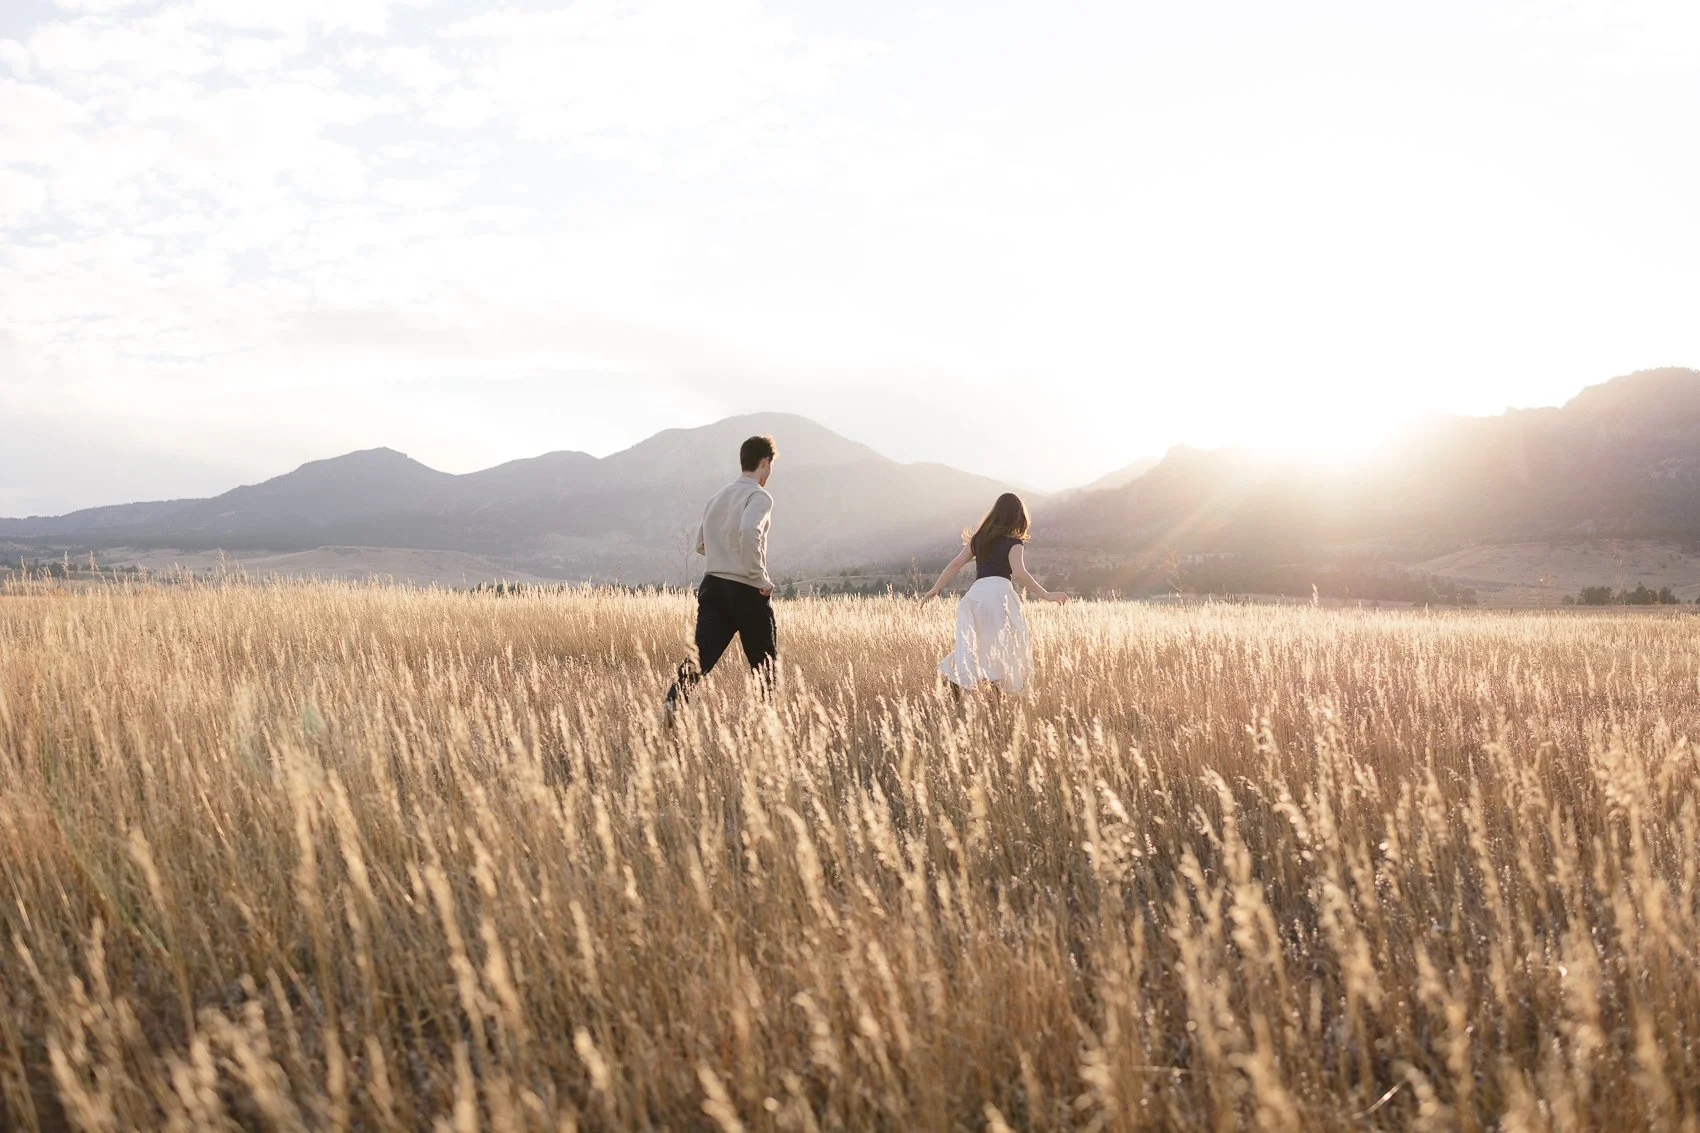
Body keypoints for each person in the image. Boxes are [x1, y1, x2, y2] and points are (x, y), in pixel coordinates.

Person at [663, 435, 779, 722]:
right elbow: (750, 531)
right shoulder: (759, 497)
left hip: (713, 586)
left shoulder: (717, 497)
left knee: (698, 662)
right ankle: (767, 733)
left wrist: (722, 555)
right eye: (770, 466)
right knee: (764, 669)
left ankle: (671, 710)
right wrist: (759, 577)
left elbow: (701, 544)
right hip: (747, 590)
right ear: (765, 462)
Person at [919, 492, 1067, 697]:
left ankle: (957, 678)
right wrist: (1046, 595)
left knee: (973, 644)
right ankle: (996, 698)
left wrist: (935, 588)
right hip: (999, 597)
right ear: (1017, 517)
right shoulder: (1014, 543)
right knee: (1002, 648)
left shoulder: (979, 539)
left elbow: (956, 564)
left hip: (975, 596)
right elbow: (1019, 573)